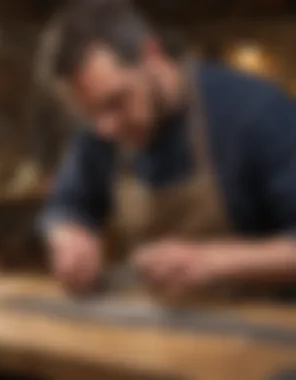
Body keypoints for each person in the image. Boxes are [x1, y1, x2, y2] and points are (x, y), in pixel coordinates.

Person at [39, 0, 296, 297]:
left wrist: (214, 261)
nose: (106, 128)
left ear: (152, 55)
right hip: (157, 332)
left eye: (117, 101)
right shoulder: (101, 130)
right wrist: (68, 238)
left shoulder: (255, 112)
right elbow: (66, 206)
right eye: (90, 114)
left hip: (257, 330)